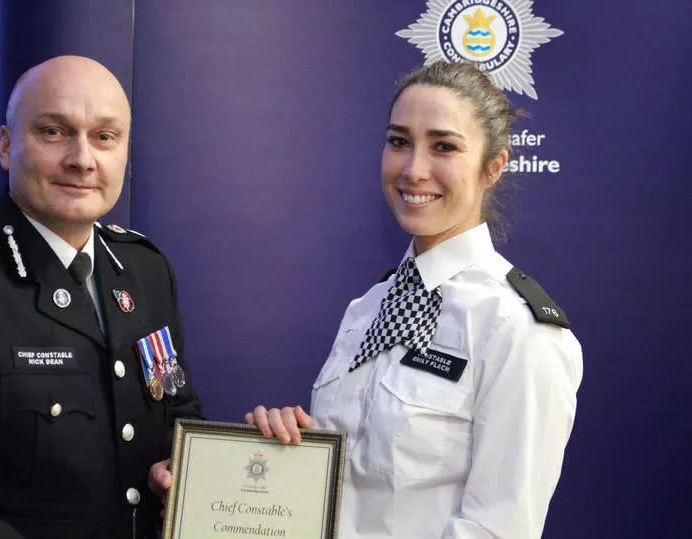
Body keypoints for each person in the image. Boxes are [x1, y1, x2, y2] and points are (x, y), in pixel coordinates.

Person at [244, 61, 583, 538]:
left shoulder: (517, 329)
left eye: (443, 146)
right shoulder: (367, 309)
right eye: (399, 141)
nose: (413, 169)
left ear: (494, 167)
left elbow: (497, 530)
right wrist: (288, 450)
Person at [0, 55, 202, 538]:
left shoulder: (145, 271)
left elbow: (177, 414)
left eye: (105, 137)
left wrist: (183, 471)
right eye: (54, 131)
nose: (82, 158)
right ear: (7, 146)